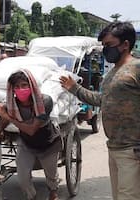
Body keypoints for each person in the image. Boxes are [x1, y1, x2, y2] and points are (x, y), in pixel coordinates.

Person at [60, 22, 140, 200]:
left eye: (109, 45)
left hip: (133, 149)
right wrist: (75, 89)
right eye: (103, 45)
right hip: (115, 148)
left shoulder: (136, 68)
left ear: (125, 44)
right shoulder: (112, 73)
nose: (105, 50)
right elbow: (101, 100)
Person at [0, 69, 61, 200]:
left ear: (31, 86)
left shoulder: (45, 102)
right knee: (23, 176)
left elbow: (31, 130)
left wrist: (6, 115)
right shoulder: (13, 104)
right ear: (12, 90)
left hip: (48, 143)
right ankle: (32, 197)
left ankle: (53, 191)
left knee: (51, 175)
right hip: (26, 143)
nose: (21, 89)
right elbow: (7, 118)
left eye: (24, 85)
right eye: (17, 87)